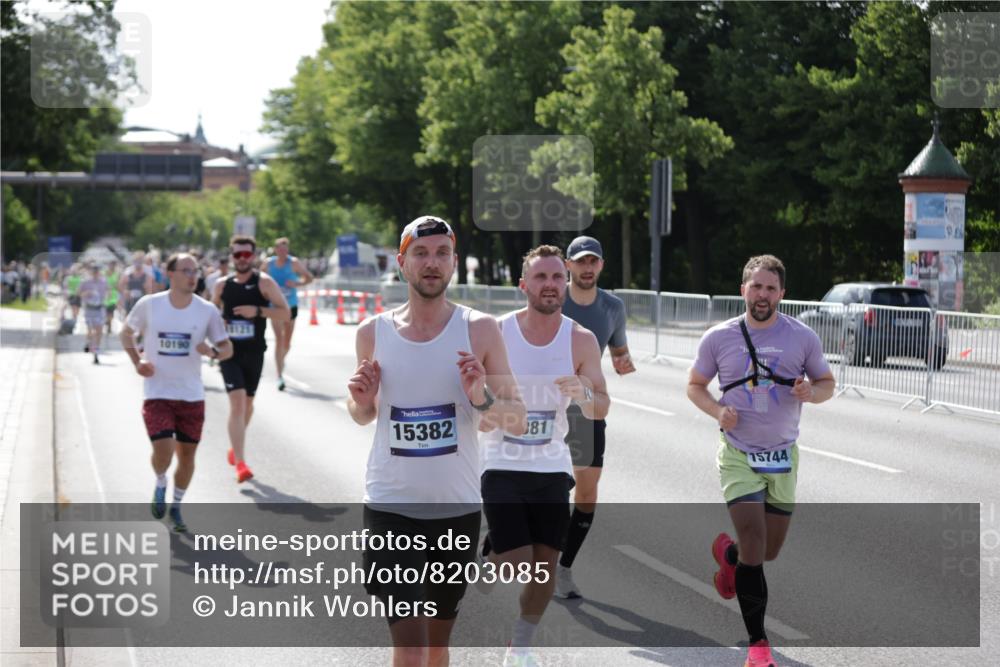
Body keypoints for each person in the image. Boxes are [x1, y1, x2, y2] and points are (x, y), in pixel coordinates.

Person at [347, 215, 526, 667]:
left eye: (442, 253)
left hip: (455, 509)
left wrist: (480, 396)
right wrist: (362, 401)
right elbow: (363, 414)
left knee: (436, 647)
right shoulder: (372, 332)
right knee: (410, 648)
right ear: (402, 262)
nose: (432, 263)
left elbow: (518, 420)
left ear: (454, 262)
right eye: (421, 254)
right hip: (390, 506)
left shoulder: (480, 330)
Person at [686, 254, 835, 667]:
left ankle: (730, 558)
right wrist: (718, 411)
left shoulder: (802, 337)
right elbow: (695, 386)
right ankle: (758, 646)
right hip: (737, 453)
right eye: (756, 286)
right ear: (743, 290)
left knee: (767, 550)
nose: (763, 294)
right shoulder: (718, 338)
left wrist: (812, 393)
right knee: (754, 539)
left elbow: (827, 383)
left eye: (771, 288)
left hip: (783, 456)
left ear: (782, 293)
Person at [479, 245, 609, 667]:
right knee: (516, 564)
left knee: (544, 568)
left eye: (556, 277)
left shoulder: (581, 339)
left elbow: (601, 406)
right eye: (540, 277)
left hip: (551, 464)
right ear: (523, 285)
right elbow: (470, 393)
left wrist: (584, 393)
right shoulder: (496, 332)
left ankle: (520, 646)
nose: (550, 285)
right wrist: (485, 409)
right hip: (501, 461)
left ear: (565, 284)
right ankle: (493, 551)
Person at [121, 253, 232, 532]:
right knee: (164, 450)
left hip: (191, 395)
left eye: (196, 271)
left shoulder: (206, 310)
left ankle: (177, 507)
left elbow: (227, 348)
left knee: (187, 457)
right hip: (157, 392)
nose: (193, 276)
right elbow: (126, 333)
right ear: (170, 274)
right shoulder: (150, 305)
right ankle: (161, 482)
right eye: (186, 270)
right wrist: (137, 362)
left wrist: (213, 352)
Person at [554, 236, 635, 599]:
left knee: (586, 493)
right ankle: (499, 543)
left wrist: (623, 363)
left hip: (586, 406)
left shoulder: (612, 306)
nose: (587, 268)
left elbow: (619, 350)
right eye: (581, 261)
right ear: (568, 265)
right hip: (547, 405)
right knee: (546, 487)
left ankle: (564, 568)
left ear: (601, 265)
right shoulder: (553, 296)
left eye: (593, 261)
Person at [212, 236, 289, 483]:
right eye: (238, 255)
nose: (242, 259)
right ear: (232, 256)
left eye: (247, 254)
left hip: (254, 352)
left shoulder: (264, 283)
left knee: (248, 404)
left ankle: (235, 446)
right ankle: (241, 464)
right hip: (229, 353)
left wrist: (257, 311)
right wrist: (219, 325)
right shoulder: (222, 286)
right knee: (237, 404)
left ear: (253, 256)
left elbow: (285, 312)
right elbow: (211, 314)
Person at [263, 237, 314, 390]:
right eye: (280, 249)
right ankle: (279, 375)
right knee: (279, 339)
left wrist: (297, 283)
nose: (283, 252)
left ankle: (281, 359)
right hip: (275, 306)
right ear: (275, 250)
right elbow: (258, 280)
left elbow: (309, 278)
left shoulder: (294, 263)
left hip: (291, 305)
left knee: (287, 342)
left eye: (285, 249)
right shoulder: (268, 264)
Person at [79, 265, 109, 364]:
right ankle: (89, 342)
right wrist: (86, 293)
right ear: (91, 272)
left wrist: (107, 296)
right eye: (94, 272)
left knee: (99, 331)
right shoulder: (85, 282)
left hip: (99, 309)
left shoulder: (103, 282)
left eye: (97, 272)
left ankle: (96, 351)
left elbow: (108, 292)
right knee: (90, 331)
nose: (95, 274)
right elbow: (79, 293)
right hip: (89, 309)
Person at [104, 261, 120, 334]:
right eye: (110, 265)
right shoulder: (104, 274)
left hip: (113, 296)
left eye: (113, 265)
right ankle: (107, 322)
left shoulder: (116, 274)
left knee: (111, 312)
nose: (112, 267)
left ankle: (109, 326)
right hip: (105, 296)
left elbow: (118, 285)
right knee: (106, 311)